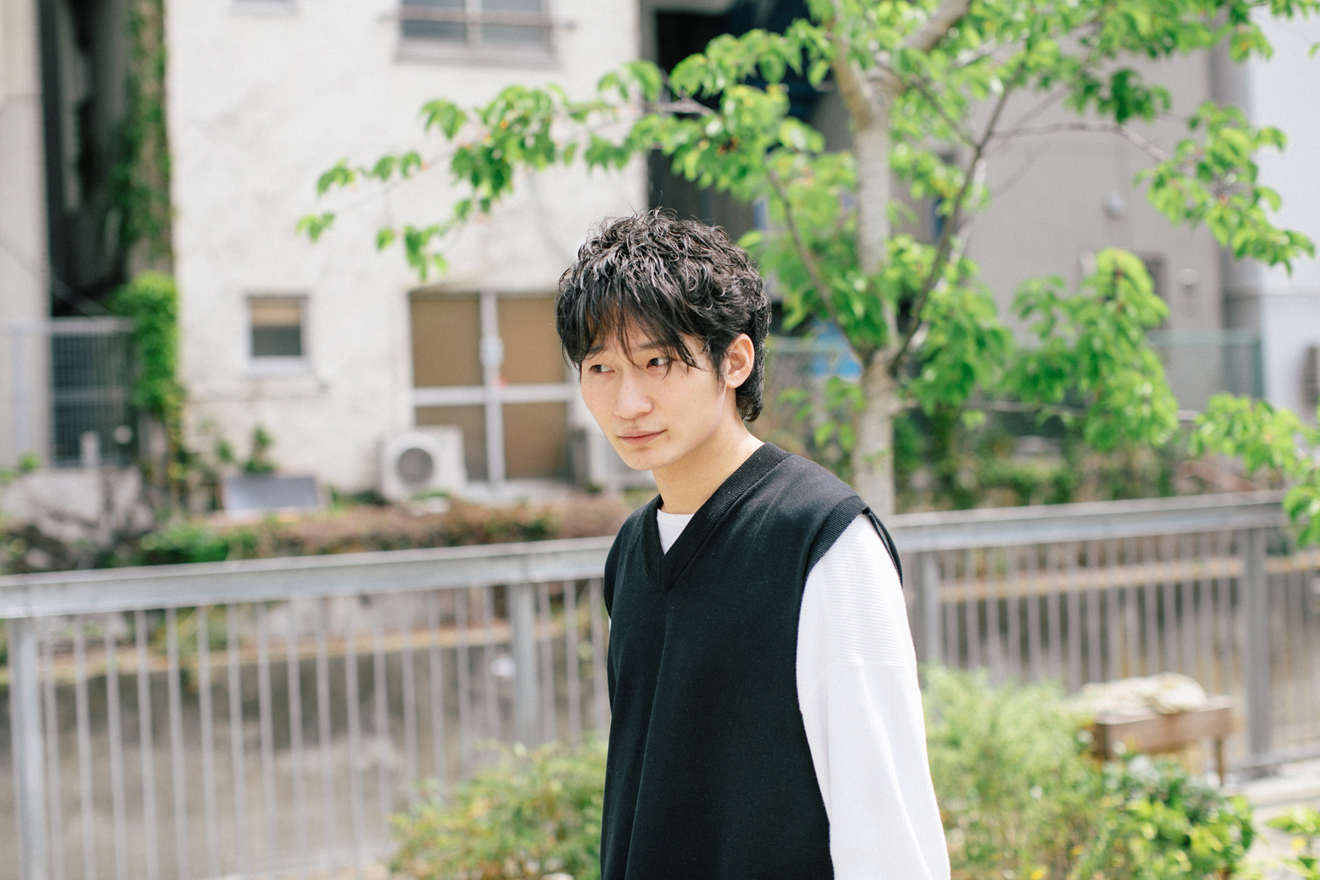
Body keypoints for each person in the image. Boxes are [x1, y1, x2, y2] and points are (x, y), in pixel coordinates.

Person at [556, 210, 949, 880]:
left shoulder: (822, 539)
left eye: (657, 362)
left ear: (734, 360)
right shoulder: (632, 550)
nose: (627, 403)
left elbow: (886, 826)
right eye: (600, 368)